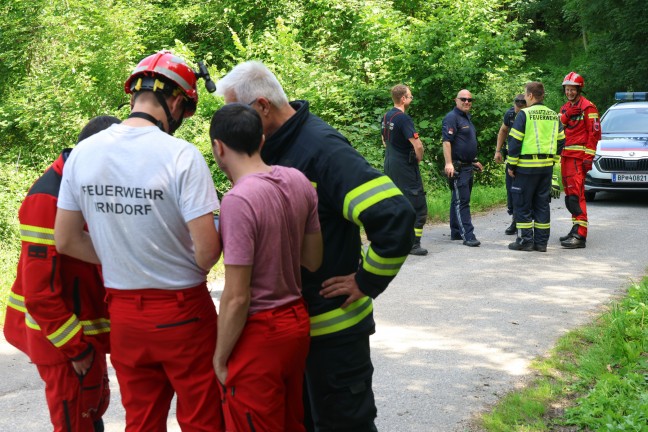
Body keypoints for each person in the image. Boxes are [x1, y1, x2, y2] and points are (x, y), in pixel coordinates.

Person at [215, 61, 415, 432]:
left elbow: (394, 215)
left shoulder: (321, 148)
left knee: (345, 425)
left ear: (261, 106)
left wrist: (365, 281)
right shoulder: (276, 148)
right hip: (295, 335)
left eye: (237, 111)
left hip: (334, 331)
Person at [54, 51, 225, 431]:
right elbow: (208, 253)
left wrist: (122, 254)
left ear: (134, 94)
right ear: (177, 101)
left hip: (125, 314)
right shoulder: (182, 156)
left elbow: (65, 240)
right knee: (203, 417)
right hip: (183, 313)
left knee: (141, 420)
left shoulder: (83, 153)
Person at [209, 103, 323, 431]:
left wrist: (219, 357)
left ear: (219, 147)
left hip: (259, 335)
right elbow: (313, 259)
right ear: (261, 140)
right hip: (296, 325)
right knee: (292, 421)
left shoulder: (238, 200)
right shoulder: (298, 181)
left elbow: (236, 297)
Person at [3, 115, 119, 432]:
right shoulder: (47, 199)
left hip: (80, 338)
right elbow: (40, 295)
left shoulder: (80, 183)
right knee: (75, 421)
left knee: (93, 411)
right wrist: (77, 349)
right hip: (62, 341)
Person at [506, 82, 565, 252]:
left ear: (531, 95)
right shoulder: (554, 115)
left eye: (525, 94)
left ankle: (525, 241)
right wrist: (553, 160)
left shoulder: (524, 114)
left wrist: (512, 164)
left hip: (526, 167)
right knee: (541, 205)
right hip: (546, 167)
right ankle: (541, 243)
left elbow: (515, 141)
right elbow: (561, 140)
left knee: (522, 203)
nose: (524, 97)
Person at [381, 84, 428, 256]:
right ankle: (413, 244)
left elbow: (384, 141)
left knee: (396, 202)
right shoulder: (403, 119)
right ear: (403, 99)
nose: (411, 98)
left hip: (390, 165)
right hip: (405, 167)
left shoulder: (386, 116)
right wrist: (418, 158)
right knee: (418, 205)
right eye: (410, 95)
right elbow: (418, 145)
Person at [558, 71, 601, 249]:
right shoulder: (565, 108)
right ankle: (575, 227)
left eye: (573, 89)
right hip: (566, 157)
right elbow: (559, 127)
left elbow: (595, 134)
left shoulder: (588, 108)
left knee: (577, 195)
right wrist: (567, 116)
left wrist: (588, 158)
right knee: (569, 197)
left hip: (578, 159)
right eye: (567, 89)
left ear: (579, 89)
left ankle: (580, 235)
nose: (570, 93)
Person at [442, 89, 483, 247]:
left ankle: (456, 231)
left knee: (457, 200)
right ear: (456, 100)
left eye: (469, 100)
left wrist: (474, 160)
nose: (467, 102)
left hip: (467, 166)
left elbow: (464, 144)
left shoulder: (466, 118)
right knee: (462, 202)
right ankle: (468, 235)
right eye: (463, 99)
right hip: (457, 167)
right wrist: (448, 163)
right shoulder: (452, 117)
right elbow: (447, 142)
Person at [495, 94, 526, 235]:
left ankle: (525, 221)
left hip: (527, 159)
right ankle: (515, 219)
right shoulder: (510, 114)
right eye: (517, 106)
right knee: (511, 189)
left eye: (521, 107)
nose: (518, 109)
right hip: (512, 157)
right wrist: (498, 151)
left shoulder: (530, 114)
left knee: (525, 190)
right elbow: (503, 130)